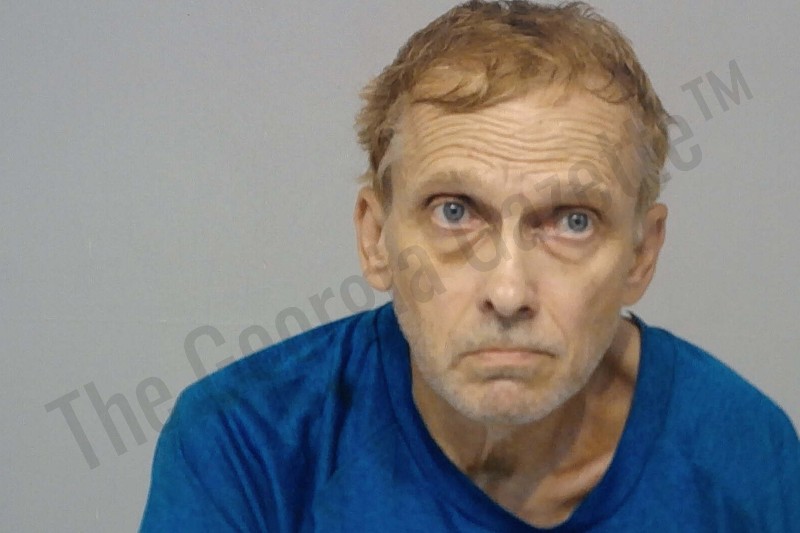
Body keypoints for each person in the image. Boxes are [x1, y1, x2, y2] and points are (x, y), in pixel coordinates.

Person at [140, 1, 800, 531]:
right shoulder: (244, 445)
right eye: (454, 212)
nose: (508, 292)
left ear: (641, 254)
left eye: (572, 220)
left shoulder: (744, 452)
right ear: (375, 238)